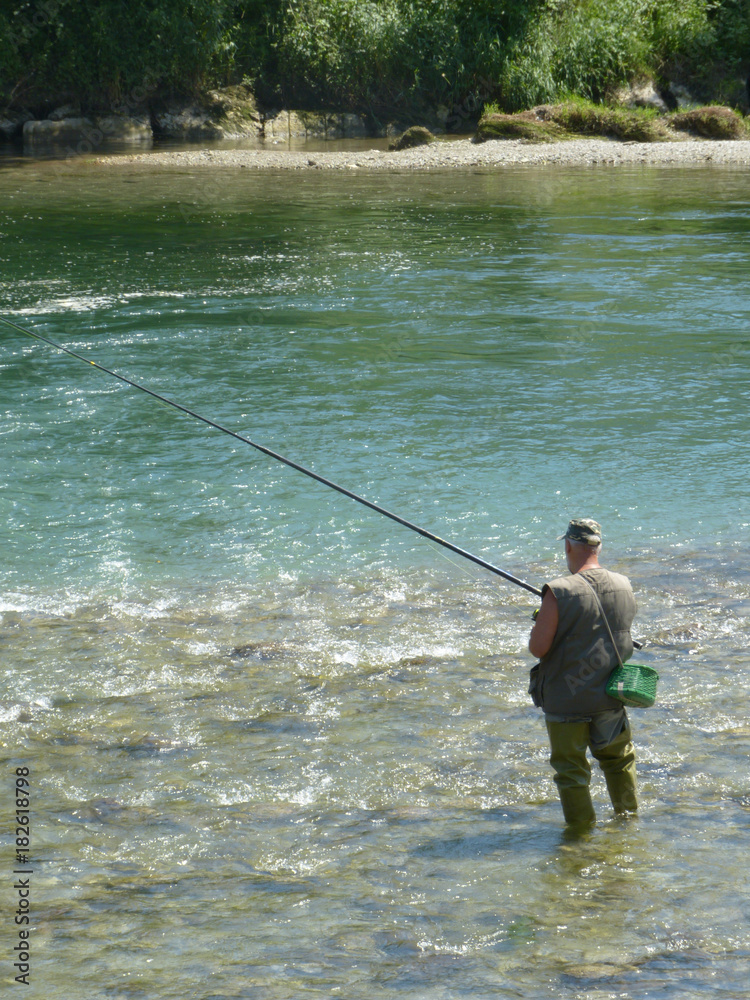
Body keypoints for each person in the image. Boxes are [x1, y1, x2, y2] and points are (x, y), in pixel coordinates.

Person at [528, 518, 638, 830]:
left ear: (568, 545)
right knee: (619, 762)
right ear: (597, 546)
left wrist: (541, 617)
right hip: (610, 695)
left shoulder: (558, 591)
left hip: (567, 700)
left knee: (571, 770)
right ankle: (628, 824)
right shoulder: (624, 584)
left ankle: (581, 836)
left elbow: (538, 647)